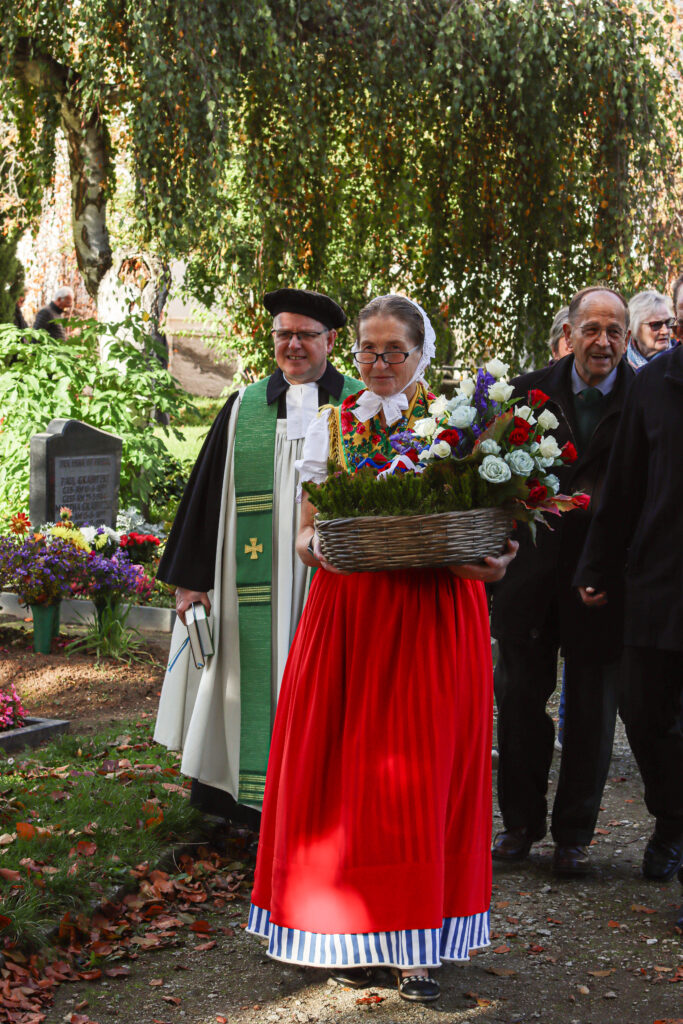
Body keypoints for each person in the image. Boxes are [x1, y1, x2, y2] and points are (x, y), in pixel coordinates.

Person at [247, 294, 518, 1004]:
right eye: (368, 349)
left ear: (420, 352)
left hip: (433, 613)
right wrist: (318, 549)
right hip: (348, 613)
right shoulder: (331, 426)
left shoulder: (460, 429)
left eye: (394, 350)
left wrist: (493, 563)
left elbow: (489, 535)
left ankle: (417, 943)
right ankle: (340, 929)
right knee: (342, 767)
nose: (379, 363)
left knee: (422, 772)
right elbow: (308, 530)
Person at [154, 289, 361, 827]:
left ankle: (321, 801)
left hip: (329, 575)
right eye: (283, 334)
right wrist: (191, 582)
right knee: (244, 676)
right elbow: (203, 499)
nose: (293, 345)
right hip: (250, 578)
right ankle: (240, 805)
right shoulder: (245, 406)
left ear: (330, 341)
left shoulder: (359, 405)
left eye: (305, 335)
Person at [489, 286, 635, 877]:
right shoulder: (526, 394)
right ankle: (520, 826)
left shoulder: (641, 397)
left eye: (615, 332)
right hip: (529, 575)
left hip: (601, 577)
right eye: (592, 329)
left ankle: (575, 834)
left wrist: (617, 569)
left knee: (593, 711)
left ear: (626, 338)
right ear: (570, 333)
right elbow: (493, 479)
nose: (603, 342)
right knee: (520, 702)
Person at [575, 343, 683, 901]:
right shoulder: (653, 383)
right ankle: (671, 816)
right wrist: (597, 564)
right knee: (643, 715)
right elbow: (623, 485)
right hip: (659, 582)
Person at [625, 290, 676, 371]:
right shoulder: (618, 365)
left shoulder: (679, 359)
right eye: (656, 325)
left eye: (668, 322)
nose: (665, 331)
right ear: (635, 327)